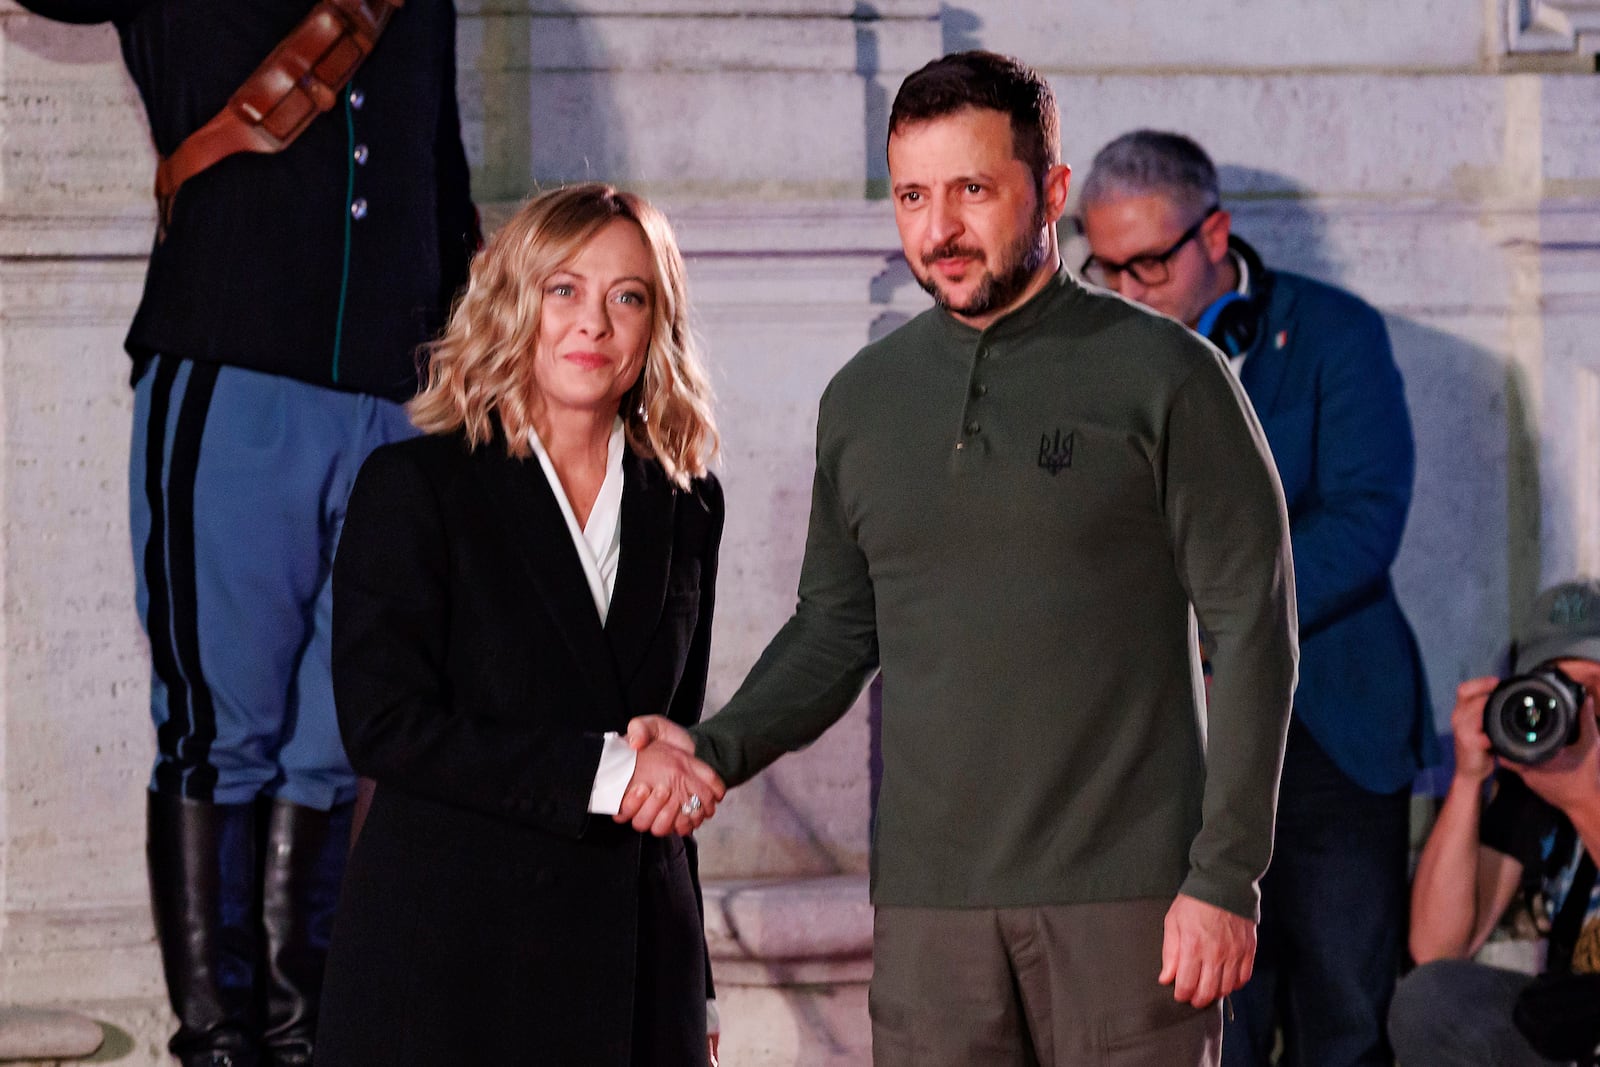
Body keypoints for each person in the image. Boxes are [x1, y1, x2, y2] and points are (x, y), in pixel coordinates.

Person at [629, 51, 1297, 1066]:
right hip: (930, 913)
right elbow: (835, 627)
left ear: (1051, 193)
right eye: (911, 195)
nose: (937, 228)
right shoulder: (861, 400)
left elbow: (1252, 624)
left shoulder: (1167, 375)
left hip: (1131, 904)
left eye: (972, 189)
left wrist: (1223, 875)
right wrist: (713, 747)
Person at [12, 2, 478, 1065]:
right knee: (218, 730)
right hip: (231, 368)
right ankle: (218, 1040)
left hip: (397, 396)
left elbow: (435, 160)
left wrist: (466, 364)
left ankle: (300, 1028)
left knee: (335, 738)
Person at [315, 183, 728, 1067]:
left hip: (634, 973)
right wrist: (605, 770)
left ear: (657, 323)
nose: (595, 324)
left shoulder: (689, 504)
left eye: (628, 296)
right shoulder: (416, 486)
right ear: (515, 303)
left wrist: (696, 980)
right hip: (451, 969)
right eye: (564, 290)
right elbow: (382, 725)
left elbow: (671, 747)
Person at [1077, 130, 1436, 1067]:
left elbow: (1365, 519)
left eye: (1148, 263)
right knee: (1211, 1025)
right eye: (1103, 264)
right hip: (1178, 750)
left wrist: (1215, 618)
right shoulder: (1092, 354)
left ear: (1216, 233)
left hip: (1331, 735)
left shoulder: (1335, 333)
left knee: (1346, 1022)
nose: (1124, 288)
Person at [1388, 578, 1600, 1067]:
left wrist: (1584, 797)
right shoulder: (1538, 781)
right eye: (1556, 690)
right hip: (1574, 1027)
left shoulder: (1567, 786)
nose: (1576, 711)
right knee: (1430, 1002)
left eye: (1591, 689)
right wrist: (1469, 777)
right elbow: (1436, 947)